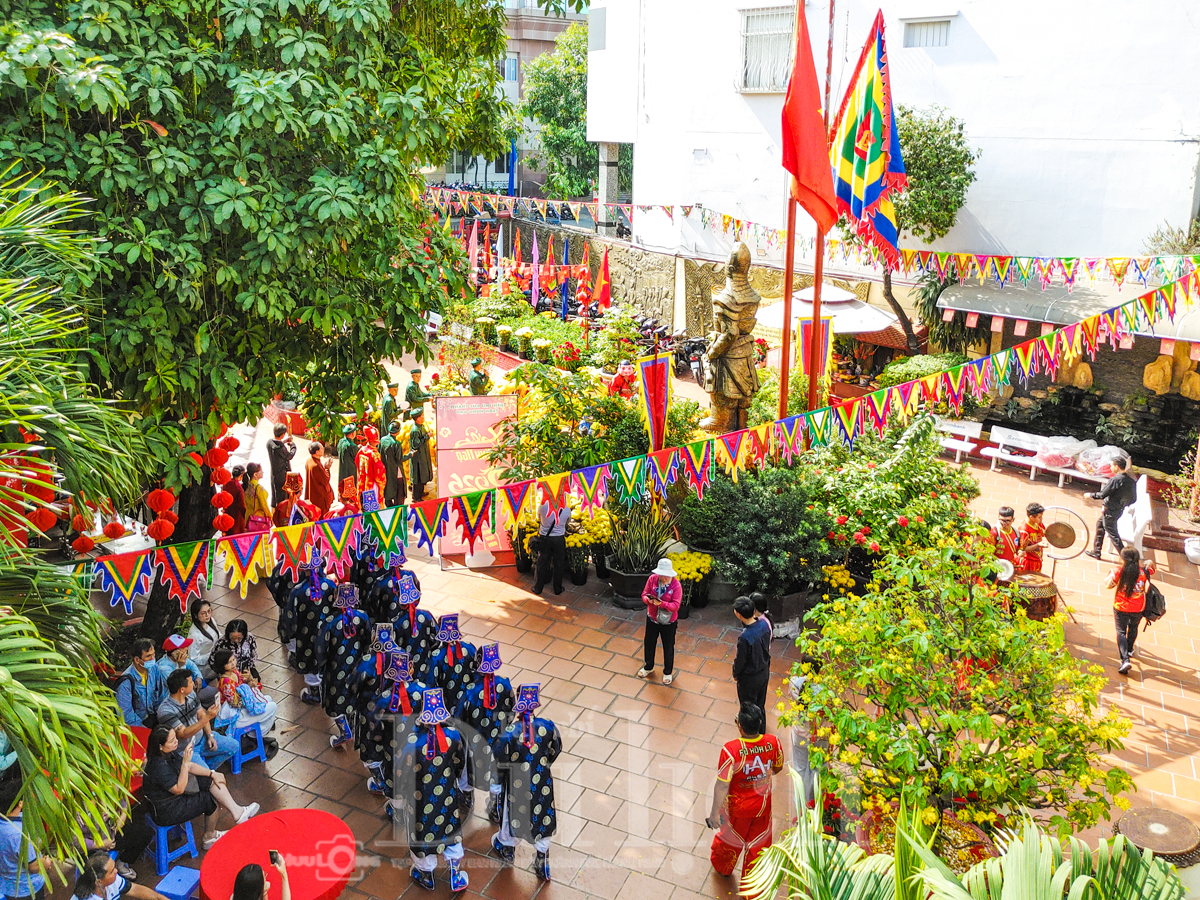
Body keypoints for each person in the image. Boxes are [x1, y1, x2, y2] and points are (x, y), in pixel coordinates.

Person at [398, 689, 469, 893]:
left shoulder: (412, 742)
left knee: (422, 832)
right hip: (446, 795)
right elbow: (458, 762)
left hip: (419, 798)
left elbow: (402, 772)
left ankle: (426, 875)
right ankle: (455, 875)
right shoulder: (453, 736)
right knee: (450, 828)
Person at [142, 727, 258, 850]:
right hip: (167, 809)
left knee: (208, 780)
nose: (176, 741)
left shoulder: (168, 753)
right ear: (160, 746)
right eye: (171, 741)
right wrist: (186, 764)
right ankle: (209, 837)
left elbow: (190, 766)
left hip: (173, 796)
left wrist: (212, 773)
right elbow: (179, 789)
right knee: (209, 799)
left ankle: (237, 812)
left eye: (175, 738)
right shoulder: (158, 766)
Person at [705, 702, 784, 880]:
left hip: (737, 810)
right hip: (763, 807)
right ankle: (752, 890)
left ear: (739, 726)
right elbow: (777, 767)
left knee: (730, 842)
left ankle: (723, 868)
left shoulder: (731, 751)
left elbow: (723, 785)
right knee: (759, 847)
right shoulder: (773, 742)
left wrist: (714, 814)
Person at [491, 684, 560, 882]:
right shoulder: (547, 726)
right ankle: (542, 859)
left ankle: (507, 847)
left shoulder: (510, 732)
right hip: (542, 783)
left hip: (516, 785)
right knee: (543, 816)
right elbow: (556, 748)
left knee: (511, 816)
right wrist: (542, 765)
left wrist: (499, 781)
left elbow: (499, 760)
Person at [455, 644, 514, 825]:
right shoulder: (505, 683)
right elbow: (512, 709)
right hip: (499, 740)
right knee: (497, 772)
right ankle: (496, 808)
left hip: (475, 741)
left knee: (469, 769)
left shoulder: (471, 690)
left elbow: (459, 717)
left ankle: (467, 797)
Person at [156, 669, 239, 771]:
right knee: (207, 775)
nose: (193, 683)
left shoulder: (191, 695)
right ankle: (205, 773)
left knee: (234, 746)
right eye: (191, 682)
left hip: (202, 738)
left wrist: (210, 735)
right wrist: (208, 717)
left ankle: (207, 769)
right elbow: (183, 733)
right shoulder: (165, 711)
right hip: (186, 749)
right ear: (182, 689)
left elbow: (201, 714)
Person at [210, 650, 278, 750]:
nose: (233, 663)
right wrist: (249, 687)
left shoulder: (234, 672)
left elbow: (243, 684)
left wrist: (249, 679)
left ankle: (255, 735)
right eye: (229, 662)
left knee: (268, 699)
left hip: (244, 708)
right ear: (222, 665)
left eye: (233, 660)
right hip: (236, 716)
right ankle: (256, 735)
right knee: (273, 706)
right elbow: (236, 703)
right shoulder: (225, 682)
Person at [0, 775, 53, 900]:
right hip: (25, 889)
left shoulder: (5, 823)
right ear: (20, 803)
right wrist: (45, 863)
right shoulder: (18, 833)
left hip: (7, 886)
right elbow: (33, 867)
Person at [1106, 547, 1156, 675]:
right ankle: (1129, 649)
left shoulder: (1119, 571)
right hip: (1139, 607)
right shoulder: (1143, 572)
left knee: (1121, 632)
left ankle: (1125, 660)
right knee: (1133, 628)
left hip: (1121, 606)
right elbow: (1152, 569)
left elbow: (1108, 585)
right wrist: (1150, 562)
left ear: (1123, 559)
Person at [637, 558, 682, 686]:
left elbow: (676, 605)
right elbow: (644, 594)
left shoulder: (676, 586)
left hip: (668, 622)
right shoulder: (652, 579)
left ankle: (668, 672)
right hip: (652, 618)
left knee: (668, 646)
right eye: (661, 575)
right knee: (649, 642)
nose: (663, 578)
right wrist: (648, 600)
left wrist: (662, 604)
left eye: (666, 576)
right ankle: (648, 666)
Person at [1085, 456, 1137, 559]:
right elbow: (1133, 498)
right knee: (1100, 525)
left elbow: (1102, 494)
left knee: (1113, 535)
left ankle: (1127, 559)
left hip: (1110, 511)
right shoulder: (1130, 481)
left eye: (1112, 465)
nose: (1110, 467)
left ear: (1117, 467)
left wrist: (1090, 495)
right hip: (1118, 510)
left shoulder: (1115, 480)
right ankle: (1096, 551)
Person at [73, 849, 168, 900]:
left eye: (114, 867)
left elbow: (135, 889)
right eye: (111, 871)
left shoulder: (112, 881)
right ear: (98, 882)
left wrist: (159, 898)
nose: (116, 871)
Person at [115, 638, 168, 728]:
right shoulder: (126, 683)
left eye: (153, 654)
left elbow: (161, 695)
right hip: (139, 724)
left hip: (154, 717)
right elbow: (126, 715)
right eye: (148, 656)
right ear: (137, 660)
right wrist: (146, 731)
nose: (153, 659)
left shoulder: (154, 669)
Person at [731, 596, 771, 714]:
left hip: (750, 678)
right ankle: (761, 730)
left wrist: (735, 673)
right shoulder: (764, 624)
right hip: (763, 671)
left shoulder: (745, 637)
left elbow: (741, 660)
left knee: (749, 709)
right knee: (760, 705)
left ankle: (750, 730)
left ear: (739, 614)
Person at [157, 635, 217, 706]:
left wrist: (198, 677)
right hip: (174, 701)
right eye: (183, 647)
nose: (186, 649)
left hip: (188, 690)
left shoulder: (179, 658)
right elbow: (179, 685)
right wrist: (182, 665)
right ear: (175, 652)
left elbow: (192, 666)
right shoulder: (163, 668)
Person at [530, 499, 570, 597]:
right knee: (559, 564)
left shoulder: (543, 507)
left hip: (545, 538)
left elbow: (539, 518)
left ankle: (537, 588)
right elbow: (567, 522)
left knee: (541, 563)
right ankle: (558, 589)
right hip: (559, 539)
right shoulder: (566, 509)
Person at [187, 599, 222, 682]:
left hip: (214, 661)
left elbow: (219, 636)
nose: (207, 615)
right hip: (205, 669)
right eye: (203, 613)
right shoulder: (194, 635)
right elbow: (193, 658)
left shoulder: (211, 621)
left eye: (209, 611)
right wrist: (213, 654)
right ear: (195, 615)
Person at [378, 422, 409, 508]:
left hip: (385, 470)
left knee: (388, 488)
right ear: (398, 431)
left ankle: (389, 505)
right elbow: (400, 459)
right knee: (400, 491)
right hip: (396, 471)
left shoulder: (382, 440)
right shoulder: (396, 444)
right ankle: (398, 509)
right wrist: (410, 454)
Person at [265, 422, 296, 507]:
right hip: (281, 475)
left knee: (275, 495)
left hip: (274, 473)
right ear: (282, 434)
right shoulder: (280, 448)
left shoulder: (269, 442)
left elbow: (277, 443)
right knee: (282, 498)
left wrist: (284, 441)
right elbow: (289, 456)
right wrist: (293, 446)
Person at [406, 409, 433, 502]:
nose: (423, 417)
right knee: (418, 477)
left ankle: (420, 493)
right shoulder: (415, 430)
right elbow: (415, 445)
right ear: (417, 419)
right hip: (418, 458)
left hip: (423, 456)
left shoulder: (420, 426)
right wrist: (427, 436)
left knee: (422, 476)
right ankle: (416, 497)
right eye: (421, 416)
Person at [304, 442, 334, 518]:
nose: (324, 449)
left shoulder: (309, 460)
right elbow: (325, 480)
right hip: (319, 497)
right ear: (317, 452)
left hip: (312, 494)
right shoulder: (316, 466)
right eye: (322, 448)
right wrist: (327, 468)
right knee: (321, 518)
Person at [356, 426, 386, 499]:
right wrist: (382, 483)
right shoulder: (374, 454)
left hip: (363, 481)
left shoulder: (361, 450)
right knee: (373, 507)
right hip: (373, 484)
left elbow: (357, 463)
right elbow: (379, 472)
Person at [242, 463, 272, 532]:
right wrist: (270, 516)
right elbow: (264, 505)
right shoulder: (258, 488)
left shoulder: (246, 486)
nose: (262, 472)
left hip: (248, 518)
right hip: (258, 520)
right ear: (255, 474)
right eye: (260, 471)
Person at [1017, 502, 1046, 573]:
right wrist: (1038, 545)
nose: (1041, 519)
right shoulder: (1024, 530)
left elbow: (1043, 533)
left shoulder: (1038, 523)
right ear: (1031, 517)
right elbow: (1023, 549)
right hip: (1028, 562)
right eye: (1039, 517)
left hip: (1037, 559)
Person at [336, 424, 359, 504]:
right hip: (351, 471)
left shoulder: (341, 442)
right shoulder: (352, 446)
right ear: (353, 434)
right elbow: (357, 457)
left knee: (342, 487)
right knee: (350, 488)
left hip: (342, 470)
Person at [226, 464, 247, 535]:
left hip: (228, 512)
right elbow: (241, 504)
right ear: (241, 475)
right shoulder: (238, 487)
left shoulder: (227, 483)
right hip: (237, 515)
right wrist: (246, 515)